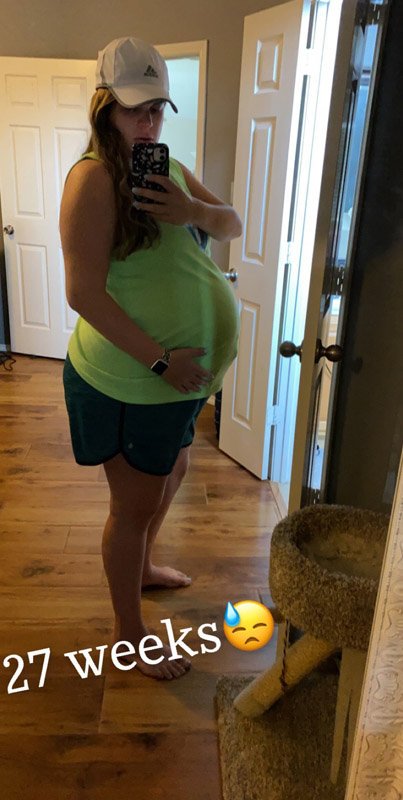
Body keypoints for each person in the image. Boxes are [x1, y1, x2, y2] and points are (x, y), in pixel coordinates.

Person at [60, 36, 242, 681]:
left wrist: (190, 209)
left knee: (172, 473)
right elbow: (83, 294)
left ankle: (141, 568)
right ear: (105, 107)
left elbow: (233, 225)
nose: (148, 123)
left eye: (157, 109)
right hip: (133, 380)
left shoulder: (169, 169)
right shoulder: (91, 180)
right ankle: (128, 633)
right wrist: (165, 362)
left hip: (181, 383)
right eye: (135, 109)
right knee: (132, 507)